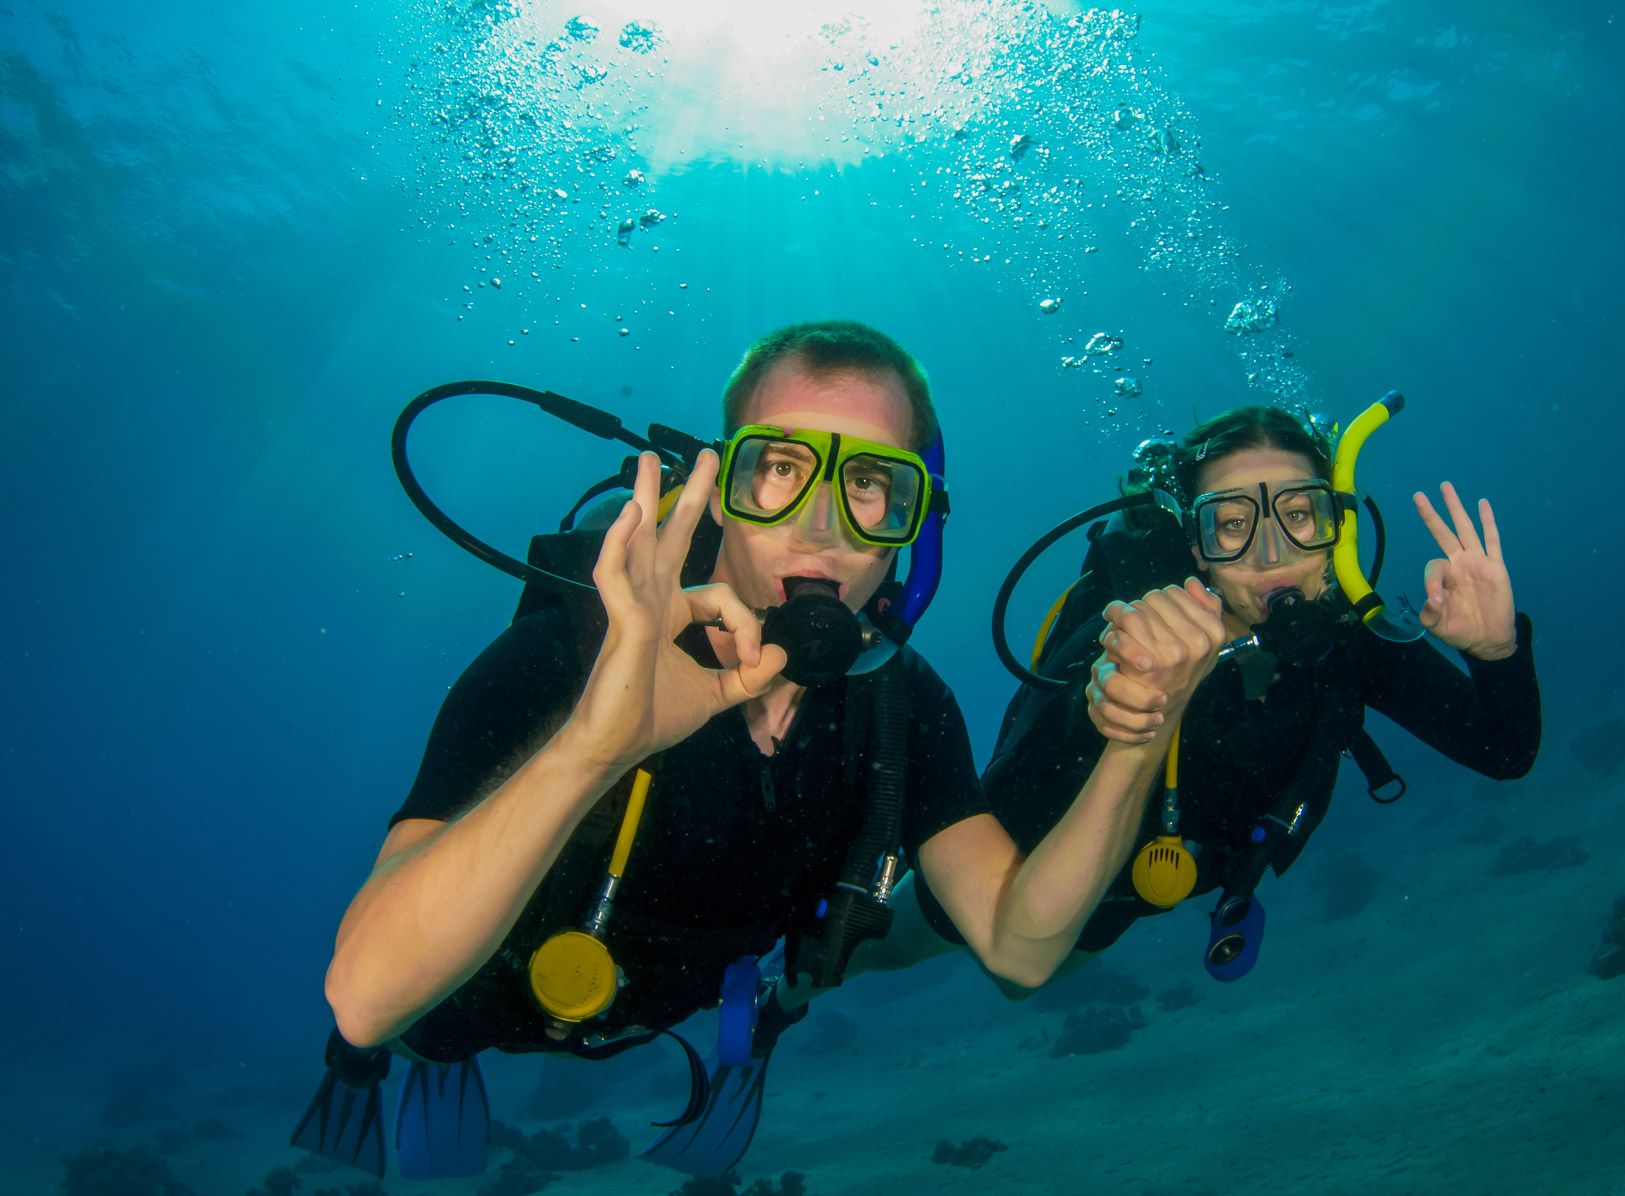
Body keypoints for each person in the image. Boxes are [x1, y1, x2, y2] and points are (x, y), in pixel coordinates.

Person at [295, 321, 1222, 1181]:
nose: (822, 525)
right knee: (420, 1035)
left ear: (913, 521)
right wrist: (595, 744)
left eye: (870, 485)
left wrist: (1139, 742)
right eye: (780, 468)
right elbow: (368, 997)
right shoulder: (567, 651)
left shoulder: (904, 703)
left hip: (690, 999)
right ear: (717, 490)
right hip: (466, 994)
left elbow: (1020, 951)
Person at [926, 402, 1540, 977]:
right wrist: (1111, 702)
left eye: (1298, 515)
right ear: (1197, 546)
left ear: (1337, 524)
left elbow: (1504, 753)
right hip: (1010, 875)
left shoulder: (1350, 639)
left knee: (1034, 975)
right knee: (904, 941)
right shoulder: (1139, 629)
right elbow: (1003, 801)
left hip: (1144, 893)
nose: (1271, 554)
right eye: (1233, 524)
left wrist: (1497, 654)